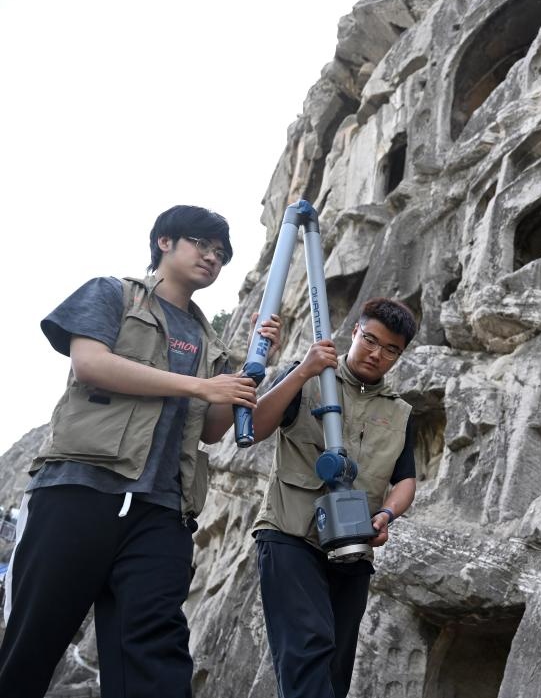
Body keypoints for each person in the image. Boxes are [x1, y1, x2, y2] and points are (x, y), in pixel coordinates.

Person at [0, 205, 281, 698]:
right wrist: (200, 386)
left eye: (221, 254)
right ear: (165, 241)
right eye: (201, 244)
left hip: (162, 511)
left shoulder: (209, 342)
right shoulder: (112, 293)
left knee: (155, 654)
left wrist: (254, 367)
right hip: (79, 489)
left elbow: (213, 430)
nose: (212, 258)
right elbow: (91, 364)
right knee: (32, 642)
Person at [251, 298, 418, 698]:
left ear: (400, 355)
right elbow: (254, 427)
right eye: (370, 340)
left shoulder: (401, 412)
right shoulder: (310, 376)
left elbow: (406, 480)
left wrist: (387, 516)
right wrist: (303, 370)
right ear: (355, 332)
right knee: (309, 648)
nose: (377, 354)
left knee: (334, 672)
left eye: (391, 349)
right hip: (290, 535)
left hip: (353, 550)